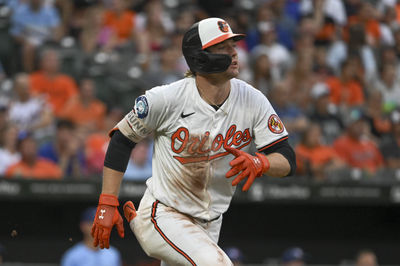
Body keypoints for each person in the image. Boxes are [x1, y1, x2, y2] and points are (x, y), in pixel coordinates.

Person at [91, 17, 296, 265]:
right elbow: (122, 139)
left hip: (210, 223)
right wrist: (107, 202)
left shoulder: (253, 99)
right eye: (223, 47)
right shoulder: (166, 98)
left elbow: (286, 158)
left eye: (234, 45)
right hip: (164, 214)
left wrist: (261, 162)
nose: (234, 53)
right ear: (199, 57)